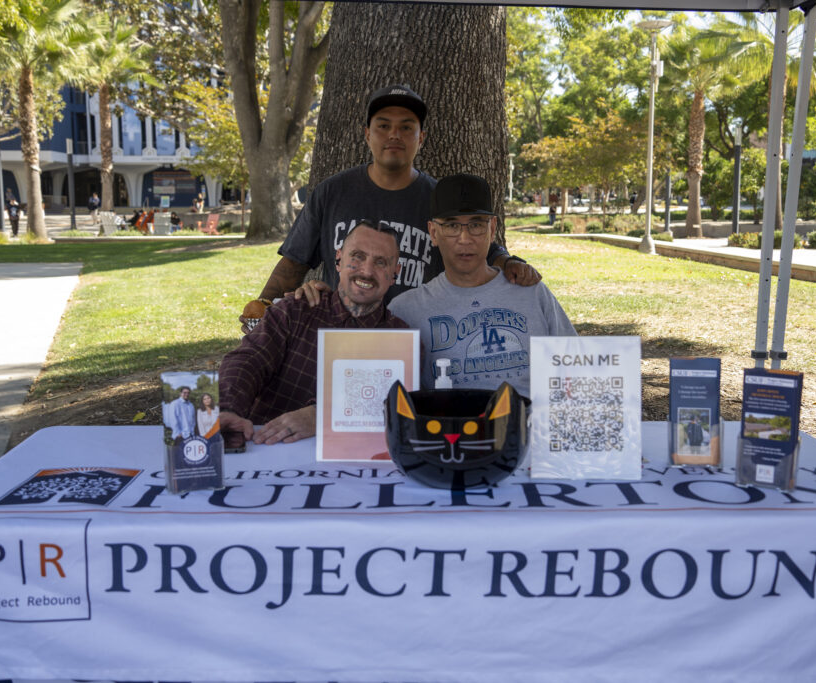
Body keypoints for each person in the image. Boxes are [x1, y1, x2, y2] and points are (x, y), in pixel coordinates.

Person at [254, 84, 540, 309]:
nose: (394, 134)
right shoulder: (332, 192)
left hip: (419, 335)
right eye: (383, 125)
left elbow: (481, 248)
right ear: (367, 134)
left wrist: (510, 262)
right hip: (345, 333)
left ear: (421, 138)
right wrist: (263, 304)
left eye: (406, 127)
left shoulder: (438, 197)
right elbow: (294, 261)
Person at [218, 220, 408, 448]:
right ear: (338, 259)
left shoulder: (401, 339)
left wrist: (322, 416)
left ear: (395, 272)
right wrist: (227, 408)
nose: (367, 271)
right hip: (267, 450)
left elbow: (389, 407)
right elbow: (248, 360)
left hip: (352, 463)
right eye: (357, 256)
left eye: (381, 262)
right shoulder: (295, 310)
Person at [389, 174, 576, 397]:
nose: (465, 238)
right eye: (451, 225)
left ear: (493, 228)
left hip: (528, 427)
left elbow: (574, 368)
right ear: (433, 233)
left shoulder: (531, 292)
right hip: (448, 429)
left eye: (476, 224)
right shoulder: (406, 310)